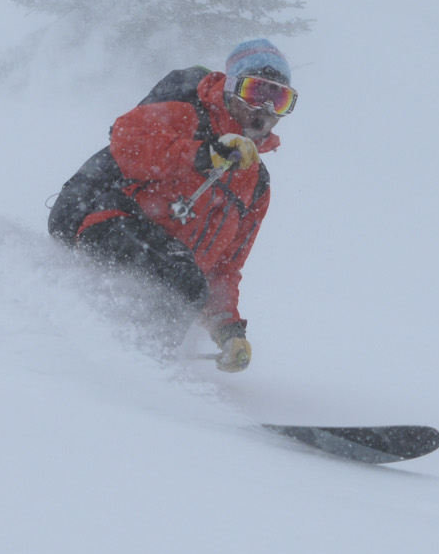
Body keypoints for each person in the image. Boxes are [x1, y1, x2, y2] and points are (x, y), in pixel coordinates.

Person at [48, 38, 298, 371]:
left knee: (185, 284)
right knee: (184, 282)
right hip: (99, 216)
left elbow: (224, 268)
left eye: (279, 100)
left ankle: (137, 367)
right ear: (233, 88)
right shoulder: (190, 118)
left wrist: (228, 329)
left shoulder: (256, 186)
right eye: (256, 93)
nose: (265, 110)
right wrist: (201, 154)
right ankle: (143, 370)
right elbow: (125, 136)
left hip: (163, 261)